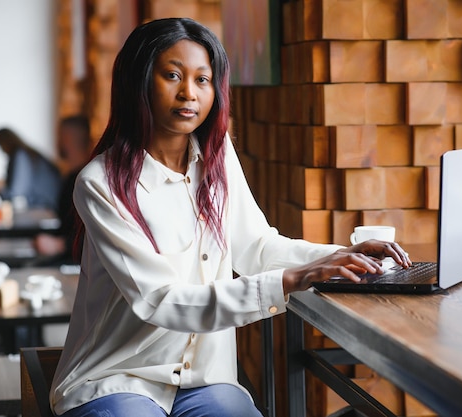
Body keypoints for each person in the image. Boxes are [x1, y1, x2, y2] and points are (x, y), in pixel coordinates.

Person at [50, 17, 412, 417]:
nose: (188, 93)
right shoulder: (100, 182)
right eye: (172, 75)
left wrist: (343, 257)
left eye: (202, 80)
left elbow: (257, 246)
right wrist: (291, 279)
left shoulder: (217, 159)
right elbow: (159, 301)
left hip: (202, 381)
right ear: (139, 80)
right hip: (116, 380)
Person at [33, 115, 92, 265]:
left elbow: (94, 233)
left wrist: (59, 244)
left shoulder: (87, 180)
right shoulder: (71, 176)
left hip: (77, 263)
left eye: (60, 135)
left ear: (69, 138)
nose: (57, 141)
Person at [0, 127, 61, 210]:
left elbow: (16, 192)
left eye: (0, 145)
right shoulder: (27, 154)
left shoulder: (20, 155)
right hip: (49, 204)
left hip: (44, 207)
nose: (1, 150)